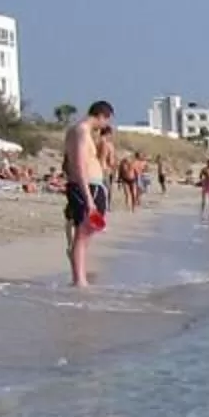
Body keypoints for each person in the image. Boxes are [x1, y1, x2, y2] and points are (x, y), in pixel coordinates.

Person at [63, 101, 115, 285]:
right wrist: (88, 197)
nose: (105, 126)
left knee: (89, 230)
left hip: (90, 186)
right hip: (87, 186)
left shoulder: (77, 131)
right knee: (83, 232)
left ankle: (79, 274)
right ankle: (79, 280)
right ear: (102, 116)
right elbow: (79, 164)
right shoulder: (82, 131)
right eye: (106, 120)